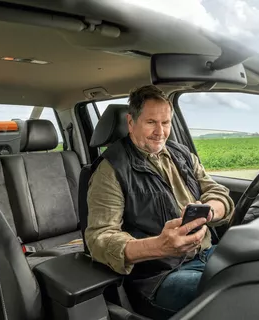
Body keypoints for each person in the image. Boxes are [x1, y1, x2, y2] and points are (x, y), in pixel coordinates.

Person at [85, 85, 235, 314]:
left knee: (258, 274)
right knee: (232, 296)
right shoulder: (111, 169)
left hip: (207, 253)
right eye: (151, 122)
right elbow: (99, 238)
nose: (160, 132)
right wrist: (160, 246)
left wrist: (210, 211)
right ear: (131, 122)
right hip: (158, 277)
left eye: (165, 123)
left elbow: (217, 192)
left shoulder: (182, 154)